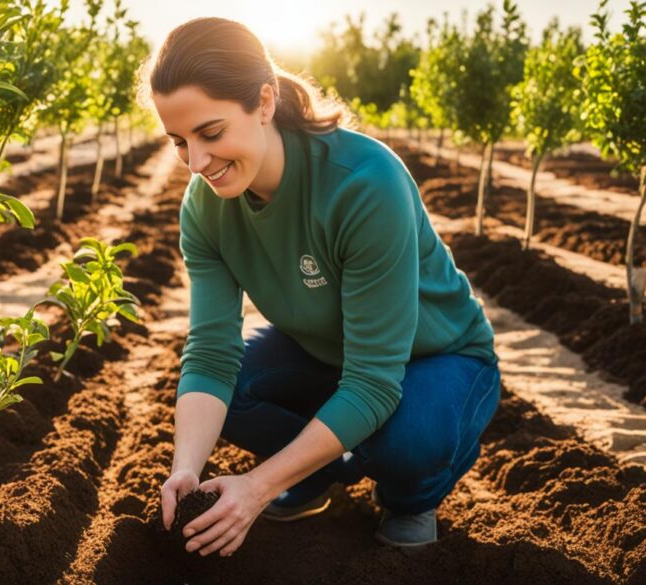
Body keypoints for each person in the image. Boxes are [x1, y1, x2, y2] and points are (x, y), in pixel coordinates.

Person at [143, 17, 501, 557]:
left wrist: (257, 486)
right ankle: (313, 478)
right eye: (179, 141)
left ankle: (409, 497)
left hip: (437, 356)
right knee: (233, 393)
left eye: (211, 133)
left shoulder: (363, 184)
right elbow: (211, 353)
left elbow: (374, 381)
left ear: (263, 103)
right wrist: (186, 469)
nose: (197, 163)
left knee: (403, 443)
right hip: (326, 352)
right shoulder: (205, 208)